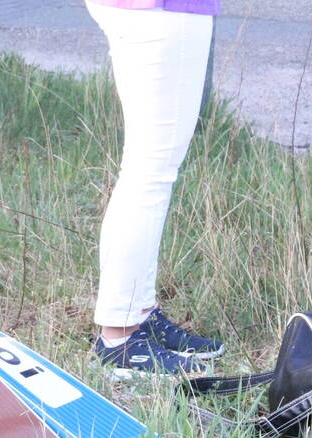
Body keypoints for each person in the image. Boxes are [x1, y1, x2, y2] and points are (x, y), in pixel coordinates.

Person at [85, 0, 225, 374]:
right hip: (163, 10)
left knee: (144, 169)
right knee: (151, 172)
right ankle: (121, 337)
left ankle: (136, 314)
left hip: (149, 10)